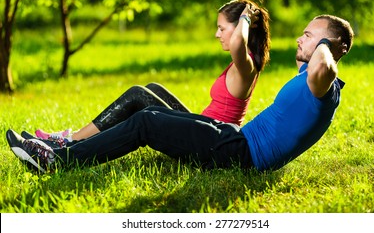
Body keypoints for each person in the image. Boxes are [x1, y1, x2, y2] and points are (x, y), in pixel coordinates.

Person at [6, 14, 354, 174]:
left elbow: (324, 66)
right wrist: (317, 44)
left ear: (332, 46)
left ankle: (61, 161)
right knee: (148, 103)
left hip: (241, 154)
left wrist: (326, 43)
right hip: (234, 138)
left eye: (310, 36)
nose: (300, 39)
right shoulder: (308, 78)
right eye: (305, 33)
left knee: (145, 121)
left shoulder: (322, 85)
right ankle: (59, 147)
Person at [28, 0, 271, 148]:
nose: (217, 35)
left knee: (137, 95)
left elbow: (239, 41)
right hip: (202, 129)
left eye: (221, 28)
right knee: (152, 88)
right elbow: (237, 39)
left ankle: (73, 140)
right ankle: (80, 138)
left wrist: (245, 16)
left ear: (239, 27)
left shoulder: (246, 66)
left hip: (209, 141)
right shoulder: (240, 66)